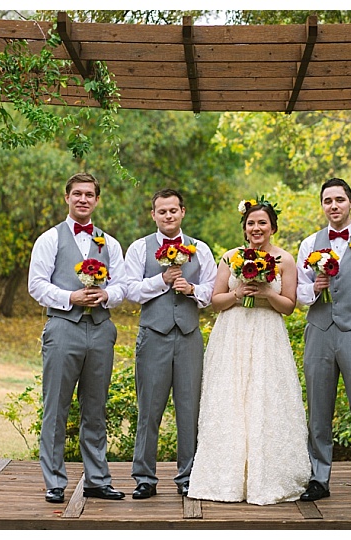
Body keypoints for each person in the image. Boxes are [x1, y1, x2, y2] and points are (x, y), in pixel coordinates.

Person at [188, 198, 310, 506]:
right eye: (251, 223)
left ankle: (266, 478)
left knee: (265, 400)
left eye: (262, 223)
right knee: (229, 401)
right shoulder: (231, 257)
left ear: (273, 228)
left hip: (267, 334)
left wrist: (268, 292)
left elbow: (289, 307)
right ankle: (226, 480)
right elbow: (215, 301)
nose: (256, 228)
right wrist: (236, 292)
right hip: (233, 333)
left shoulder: (285, 260)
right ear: (244, 228)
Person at [28, 172, 128, 503]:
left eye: (89, 194)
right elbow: (37, 284)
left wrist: (106, 296)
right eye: (77, 194)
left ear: (97, 200)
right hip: (62, 328)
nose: (83, 199)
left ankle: (97, 479)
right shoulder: (50, 239)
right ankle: (54, 481)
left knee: (95, 408)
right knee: (56, 406)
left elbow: (123, 286)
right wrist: (70, 298)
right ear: (67, 198)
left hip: (100, 329)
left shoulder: (109, 243)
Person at [296, 177, 351, 502]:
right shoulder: (309, 244)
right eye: (327, 201)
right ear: (322, 206)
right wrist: (315, 288)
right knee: (318, 410)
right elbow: (297, 293)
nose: (333, 206)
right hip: (318, 333)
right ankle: (318, 477)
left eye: (339, 200)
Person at [124, 189, 217, 499]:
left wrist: (190, 288)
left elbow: (212, 293)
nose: (168, 215)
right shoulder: (140, 248)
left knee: (189, 410)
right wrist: (161, 281)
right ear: (154, 215)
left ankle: (188, 476)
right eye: (162, 211)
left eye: (173, 210)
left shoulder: (200, 249)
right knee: (149, 409)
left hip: (189, 336)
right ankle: (144, 478)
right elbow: (130, 291)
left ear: (182, 212)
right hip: (153, 337)